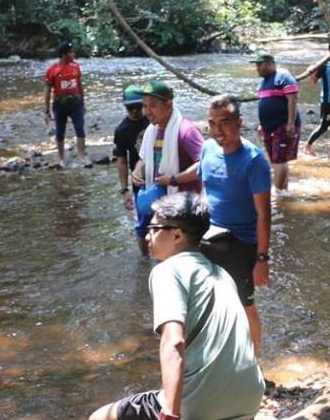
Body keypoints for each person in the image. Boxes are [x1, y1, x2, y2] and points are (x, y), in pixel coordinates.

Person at [87, 192, 264, 420]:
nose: (147, 235)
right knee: (192, 390)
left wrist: (170, 414)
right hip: (247, 405)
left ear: (178, 235)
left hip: (204, 410)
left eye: (154, 229)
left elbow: (174, 341)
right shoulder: (220, 273)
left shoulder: (167, 271)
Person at [198, 94, 272, 357]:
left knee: (244, 302)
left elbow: (264, 214)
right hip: (209, 236)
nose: (218, 130)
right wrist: (169, 179)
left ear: (240, 123)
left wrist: (262, 259)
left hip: (241, 242)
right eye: (212, 123)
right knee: (209, 299)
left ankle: (253, 362)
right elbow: (203, 177)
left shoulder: (253, 161)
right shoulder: (207, 149)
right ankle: (219, 353)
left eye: (225, 123)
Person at [132, 80, 204, 239]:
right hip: (161, 201)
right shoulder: (152, 130)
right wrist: (137, 170)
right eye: (145, 106)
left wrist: (173, 179)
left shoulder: (186, 131)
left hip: (186, 208)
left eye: (153, 105)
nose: (147, 111)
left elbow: (205, 164)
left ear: (169, 104)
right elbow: (143, 158)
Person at [254, 54, 300, 190]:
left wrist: (290, 123)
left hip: (283, 125)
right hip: (268, 127)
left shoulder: (284, 77)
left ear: (269, 63)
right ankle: (283, 190)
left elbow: (293, 99)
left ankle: (278, 194)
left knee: (280, 160)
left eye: (259, 64)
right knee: (275, 159)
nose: (257, 68)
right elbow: (264, 104)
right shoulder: (263, 82)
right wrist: (261, 124)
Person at [112, 84, 150, 255]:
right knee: (142, 223)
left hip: (160, 175)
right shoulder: (121, 130)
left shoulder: (153, 120)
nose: (135, 110)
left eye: (138, 106)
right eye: (130, 107)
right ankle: (144, 259)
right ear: (125, 106)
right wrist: (124, 190)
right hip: (139, 182)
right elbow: (121, 161)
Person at [43, 42, 86, 166]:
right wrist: (46, 109)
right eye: (71, 52)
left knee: (79, 128)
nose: (73, 54)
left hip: (76, 103)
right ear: (64, 54)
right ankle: (61, 158)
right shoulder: (52, 70)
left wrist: (83, 102)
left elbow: (79, 85)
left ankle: (81, 156)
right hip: (60, 104)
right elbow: (47, 90)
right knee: (60, 131)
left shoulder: (76, 67)